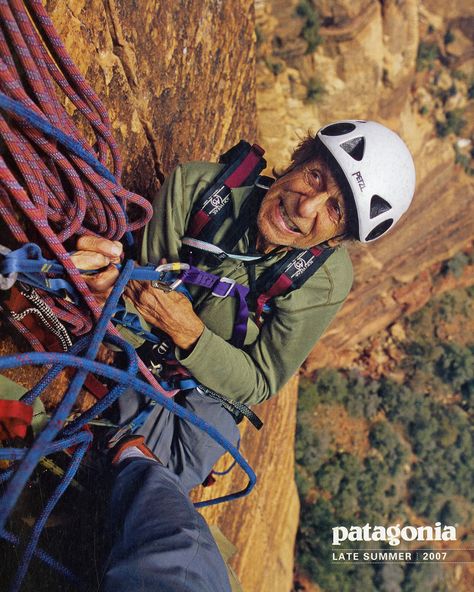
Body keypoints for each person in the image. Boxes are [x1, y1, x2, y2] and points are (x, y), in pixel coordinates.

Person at [74, 119, 416, 492]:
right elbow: (144, 299)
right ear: (299, 159)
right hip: (146, 359)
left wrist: (192, 334)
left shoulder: (322, 282)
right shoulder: (195, 190)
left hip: (211, 392)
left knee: (164, 482)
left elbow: (260, 382)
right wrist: (108, 294)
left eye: (333, 210)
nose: (305, 207)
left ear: (336, 239)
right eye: (315, 177)